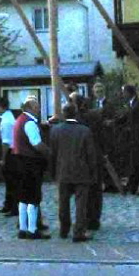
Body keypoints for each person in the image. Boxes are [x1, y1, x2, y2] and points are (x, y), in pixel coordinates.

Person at [49, 101, 99, 241]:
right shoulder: (85, 130)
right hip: (81, 172)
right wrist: (93, 172)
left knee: (63, 202)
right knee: (80, 204)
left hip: (63, 171)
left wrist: (53, 172)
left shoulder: (55, 130)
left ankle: (64, 230)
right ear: (76, 113)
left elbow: (53, 154)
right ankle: (79, 231)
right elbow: (91, 154)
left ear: (63, 114)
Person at [12, 96, 50, 239]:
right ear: (30, 108)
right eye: (36, 107)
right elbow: (37, 144)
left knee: (23, 197)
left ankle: (23, 228)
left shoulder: (19, 120)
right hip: (31, 163)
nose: (38, 109)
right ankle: (33, 229)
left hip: (20, 162)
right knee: (33, 197)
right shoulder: (29, 123)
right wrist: (49, 153)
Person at [75, 93, 104, 231]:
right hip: (95, 156)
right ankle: (94, 219)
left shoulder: (79, 120)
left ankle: (87, 218)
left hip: (84, 158)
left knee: (86, 190)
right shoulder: (95, 115)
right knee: (95, 190)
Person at [118, 83, 139, 195]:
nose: (122, 94)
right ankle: (133, 186)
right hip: (132, 138)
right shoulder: (130, 104)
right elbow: (125, 118)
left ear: (128, 93)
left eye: (124, 92)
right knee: (135, 163)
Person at [0, 96, 18, 215]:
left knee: (11, 181)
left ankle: (13, 207)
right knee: (9, 181)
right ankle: (8, 204)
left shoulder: (6, 121)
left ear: (0, 107)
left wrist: (3, 158)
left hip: (10, 153)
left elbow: (6, 142)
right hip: (11, 152)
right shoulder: (6, 117)